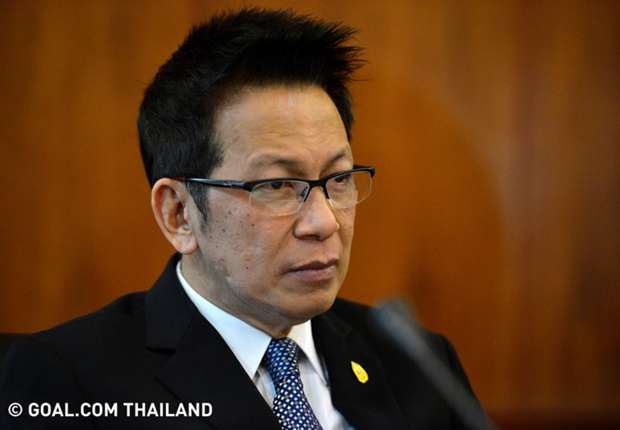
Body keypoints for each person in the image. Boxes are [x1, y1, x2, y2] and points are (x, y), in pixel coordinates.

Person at [0, 8, 482, 430]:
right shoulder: (68, 381)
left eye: (338, 179)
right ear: (178, 213)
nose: (324, 223)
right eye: (276, 185)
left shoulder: (418, 363)